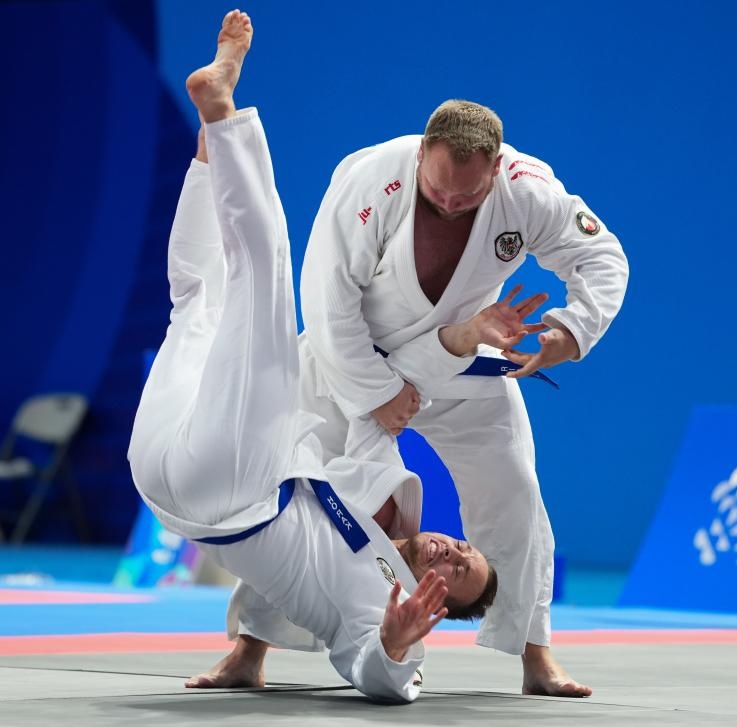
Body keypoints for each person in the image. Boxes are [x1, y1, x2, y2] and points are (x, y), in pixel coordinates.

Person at [125, 10, 556, 702]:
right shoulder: (388, 485)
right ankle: (211, 145)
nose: (450, 555)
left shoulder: (382, 603)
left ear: (437, 606)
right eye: (465, 550)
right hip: (191, 475)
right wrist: (464, 335)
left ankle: (224, 115)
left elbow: (376, 673)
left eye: (455, 576)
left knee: (264, 270)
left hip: (219, 487)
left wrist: (394, 647)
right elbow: (398, 384)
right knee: (197, 298)